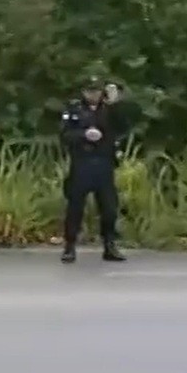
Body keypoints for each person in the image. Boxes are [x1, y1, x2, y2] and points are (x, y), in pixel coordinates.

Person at [59, 76, 130, 263]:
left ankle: (110, 245)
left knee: (109, 208)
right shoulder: (74, 110)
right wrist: (84, 134)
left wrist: (115, 105)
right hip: (82, 163)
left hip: (104, 163)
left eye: (97, 91)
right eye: (90, 91)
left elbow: (123, 127)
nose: (93, 95)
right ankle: (69, 246)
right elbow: (65, 135)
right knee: (75, 207)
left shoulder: (109, 110)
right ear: (83, 92)